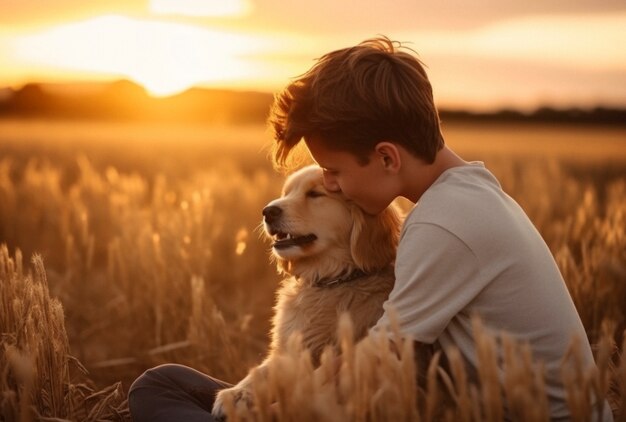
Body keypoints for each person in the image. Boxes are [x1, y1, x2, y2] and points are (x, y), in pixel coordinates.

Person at [128, 36, 611, 421]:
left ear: (386, 157)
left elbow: (375, 362)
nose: (333, 185)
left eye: (333, 171)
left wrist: (270, 410)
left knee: (158, 392)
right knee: (166, 383)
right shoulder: (472, 194)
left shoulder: (443, 223)